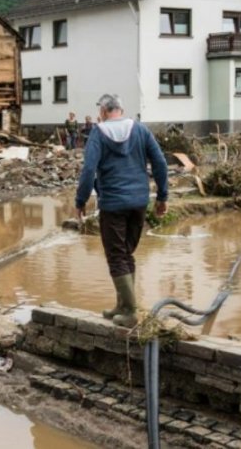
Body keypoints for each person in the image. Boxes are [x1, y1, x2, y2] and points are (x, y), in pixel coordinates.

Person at [75, 94, 168, 328]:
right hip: (139, 201)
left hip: (113, 204)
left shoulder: (98, 132)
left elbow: (88, 170)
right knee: (126, 253)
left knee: (116, 256)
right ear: (121, 109)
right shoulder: (140, 130)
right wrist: (163, 197)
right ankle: (123, 305)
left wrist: (81, 200)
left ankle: (129, 311)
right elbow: (160, 163)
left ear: (104, 112)